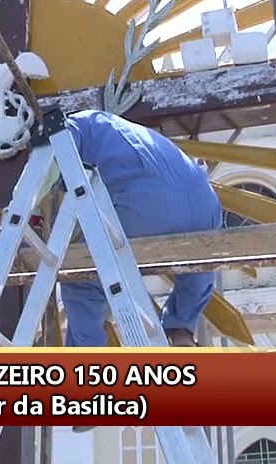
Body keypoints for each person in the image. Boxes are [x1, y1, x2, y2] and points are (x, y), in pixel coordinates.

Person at [58, 109, 222, 349]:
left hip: (148, 199)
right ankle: (181, 331)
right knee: (197, 267)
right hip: (205, 201)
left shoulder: (73, 126)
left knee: (81, 275)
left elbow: (54, 161)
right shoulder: (116, 128)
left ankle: (85, 357)